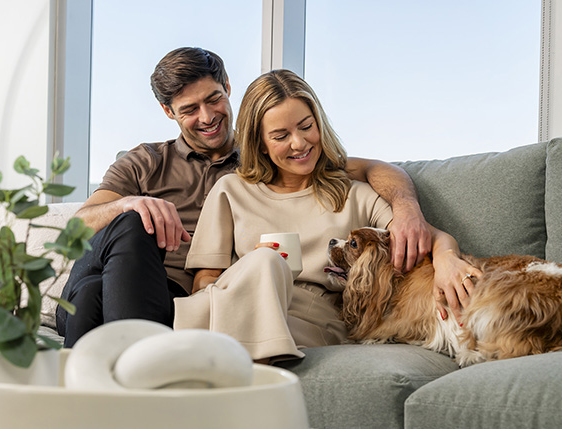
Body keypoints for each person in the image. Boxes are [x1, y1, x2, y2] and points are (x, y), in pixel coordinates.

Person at [55, 47, 452, 348]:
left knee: (94, 298)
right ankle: (141, 364)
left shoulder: (269, 159)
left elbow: (365, 169)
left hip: (171, 297)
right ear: (167, 111)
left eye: (213, 99)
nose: (207, 116)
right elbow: (76, 227)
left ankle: (96, 393)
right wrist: (130, 202)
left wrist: (408, 209)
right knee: (123, 231)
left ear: (227, 89)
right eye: (190, 109)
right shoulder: (145, 161)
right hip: (124, 271)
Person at [174, 69, 480, 362]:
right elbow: (205, 282)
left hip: (312, 318)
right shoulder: (231, 190)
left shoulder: (354, 194)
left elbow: (424, 233)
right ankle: (237, 375)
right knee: (264, 262)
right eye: (280, 135)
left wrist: (446, 260)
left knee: (266, 264)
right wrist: (255, 276)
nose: (299, 143)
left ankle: (219, 374)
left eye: (306, 127)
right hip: (236, 303)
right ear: (261, 144)